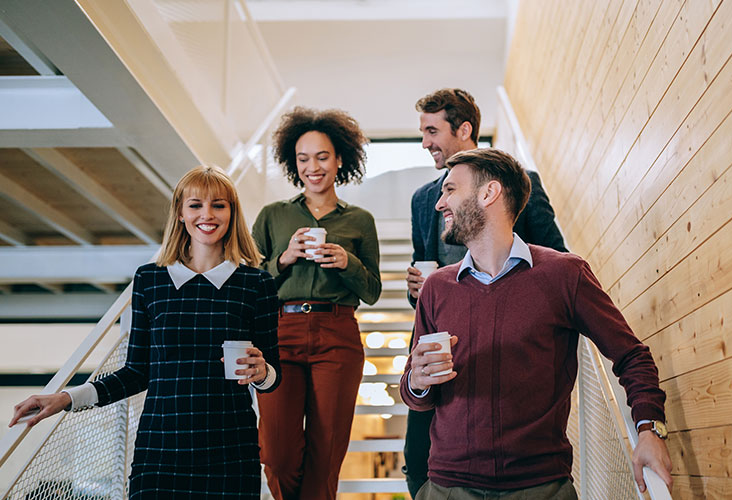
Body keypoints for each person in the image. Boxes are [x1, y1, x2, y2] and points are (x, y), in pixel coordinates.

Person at [400, 148, 672, 499]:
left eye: (450, 190)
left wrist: (649, 429)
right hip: (447, 488)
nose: (439, 204)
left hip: (541, 488)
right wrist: (418, 381)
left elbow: (631, 355)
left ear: (489, 193)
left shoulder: (564, 274)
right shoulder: (436, 287)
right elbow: (413, 393)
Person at [9, 165, 281, 498]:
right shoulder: (150, 280)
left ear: (232, 213)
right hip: (160, 452)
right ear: (180, 213)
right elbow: (136, 373)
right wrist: (67, 398)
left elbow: (274, 378)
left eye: (218, 205)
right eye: (195, 205)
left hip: (230, 451)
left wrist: (262, 371)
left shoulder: (257, 283)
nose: (206, 214)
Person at [403, 88, 568, 497]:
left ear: (464, 129)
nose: (425, 143)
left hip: (506, 341)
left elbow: (555, 255)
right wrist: (420, 289)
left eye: (431, 130)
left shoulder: (520, 184)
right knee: (417, 456)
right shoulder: (425, 198)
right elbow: (424, 262)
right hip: (444, 339)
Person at [252, 107, 381, 500]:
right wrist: (284, 258)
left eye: (322, 157)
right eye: (303, 158)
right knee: (276, 454)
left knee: (326, 454)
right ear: (294, 164)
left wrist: (347, 262)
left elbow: (372, 291)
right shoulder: (273, 216)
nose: (313, 167)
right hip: (280, 333)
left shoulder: (360, 220)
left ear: (339, 159)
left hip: (338, 333)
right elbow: (250, 284)